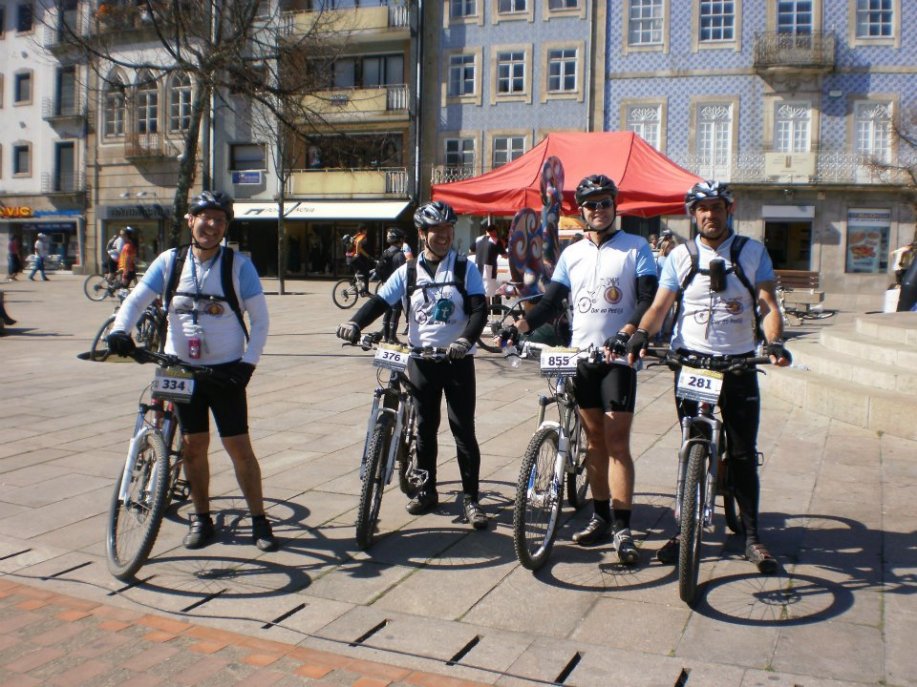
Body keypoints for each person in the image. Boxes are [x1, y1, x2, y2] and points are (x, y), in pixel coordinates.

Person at [626, 180, 792, 575]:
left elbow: (768, 304)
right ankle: (684, 530)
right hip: (692, 363)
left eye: (716, 207)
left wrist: (774, 342)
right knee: (692, 446)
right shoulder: (680, 255)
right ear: (693, 214)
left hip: (738, 363)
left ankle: (752, 537)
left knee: (743, 453)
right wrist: (642, 334)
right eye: (702, 208)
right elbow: (661, 306)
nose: (709, 214)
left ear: (728, 210)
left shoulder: (752, 252)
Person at [105, 191, 277, 552]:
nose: (211, 226)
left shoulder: (238, 266)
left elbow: (260, 321)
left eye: (220, 220)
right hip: (179, 370)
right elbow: (136, 300)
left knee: (239, 447)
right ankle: (201, 518)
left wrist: (248, 364)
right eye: (205, 218)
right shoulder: (170, 262)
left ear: (226, 226)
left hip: (225, 372)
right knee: (192, 446)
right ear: (190, 220)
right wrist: (120, 330)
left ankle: (259, 520)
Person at [509, 174, 658, 564]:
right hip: (581, 358)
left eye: (605, 202)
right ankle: (601, 517)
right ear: (581, 210)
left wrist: (627, 333)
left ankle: (623, 528)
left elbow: (648, 299)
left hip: (617, 360)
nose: (598, 210)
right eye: (591, 204)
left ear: (615, 205)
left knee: (617, 442)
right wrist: (519, 327)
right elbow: (551, 302)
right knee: (594, 441)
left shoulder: (636, 247)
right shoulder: (571, 253)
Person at [336, 201, 490, 529]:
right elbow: (380, 301)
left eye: (448, 229)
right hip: (421, 360)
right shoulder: (408, 271)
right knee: (425, 429)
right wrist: (355, 322)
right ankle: (427, 490)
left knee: (463, 430)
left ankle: (471, 498)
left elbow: (479, 310)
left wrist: (465, 340)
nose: (444, 236)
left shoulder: (465, 268)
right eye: (437, 230)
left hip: (457, 360)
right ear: (422, 234)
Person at [376, 227, 408, 343]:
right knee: (396, 311)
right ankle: (392, 337)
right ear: (400, 240)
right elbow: (404, 273)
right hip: (396, 287)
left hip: (386, 285)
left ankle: (386, 336)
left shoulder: (386, 252)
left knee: (388, 311)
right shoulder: (399, 255)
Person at [470, 222, 506, 304]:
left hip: (477, 268)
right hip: (489, 269)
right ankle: (485, 310)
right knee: (487, 293)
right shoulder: (496, 241)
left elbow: (471, 249)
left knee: (479, 290)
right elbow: (504, 255)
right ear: (494, 231)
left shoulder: (478, 239)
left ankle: (480, 308)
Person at [350, 225, 373, 295]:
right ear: (363, 230)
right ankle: (366, 291)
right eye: (366, 230)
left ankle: (353, 285)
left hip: (350, 257)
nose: (366, 231)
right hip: (355, 258)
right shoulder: (362, 236)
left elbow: (360, 248)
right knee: (366, 273)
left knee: (358, 272)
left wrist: (367, 256)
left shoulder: (356, 235)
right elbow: (358, 243)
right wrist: (357, 254)